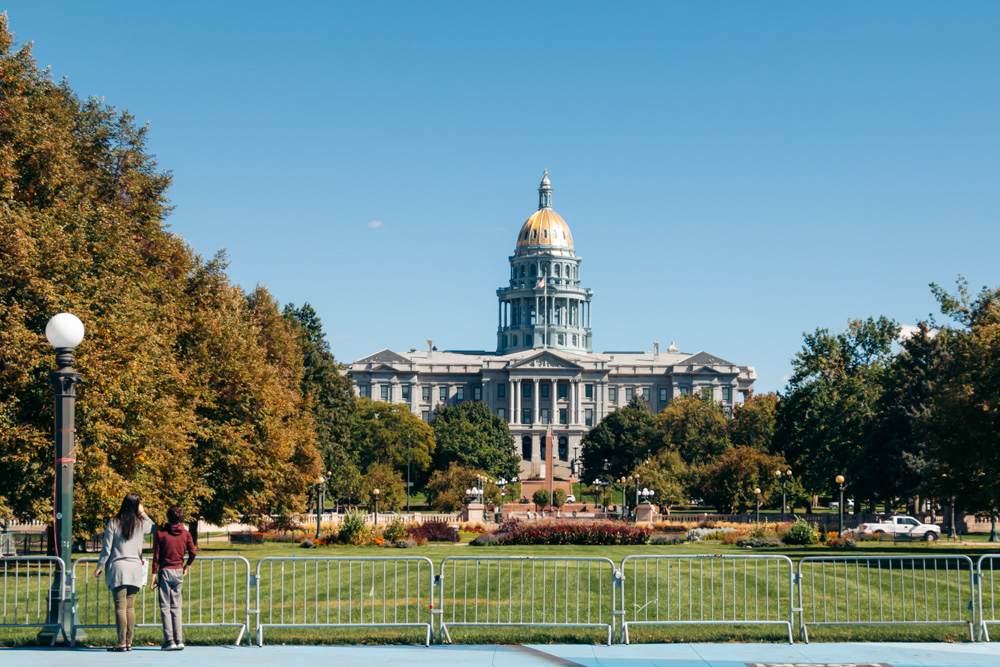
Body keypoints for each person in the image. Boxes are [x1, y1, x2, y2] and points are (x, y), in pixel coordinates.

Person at [94, 493, 154, 652]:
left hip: (118, 567)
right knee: (130, 607)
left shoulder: (114, 522)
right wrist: (143, 512)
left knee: (120, 607)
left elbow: (107, 548)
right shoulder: (141, 523)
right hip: (135, 568)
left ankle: (121, 642)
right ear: (137, 506)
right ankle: (129, 642)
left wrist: (100, 566)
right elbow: (153, 527)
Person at [150, 505, 196, 650]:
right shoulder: (186, 534)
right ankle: (179, 640)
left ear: (168, 517)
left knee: (165, 607)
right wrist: (186, 566)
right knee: (176, 606)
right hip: (178, 570)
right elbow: (193, 553)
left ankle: (169, 640)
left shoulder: (160, 534)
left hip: (164, 571)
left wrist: (153, 574)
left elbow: (156, 556)